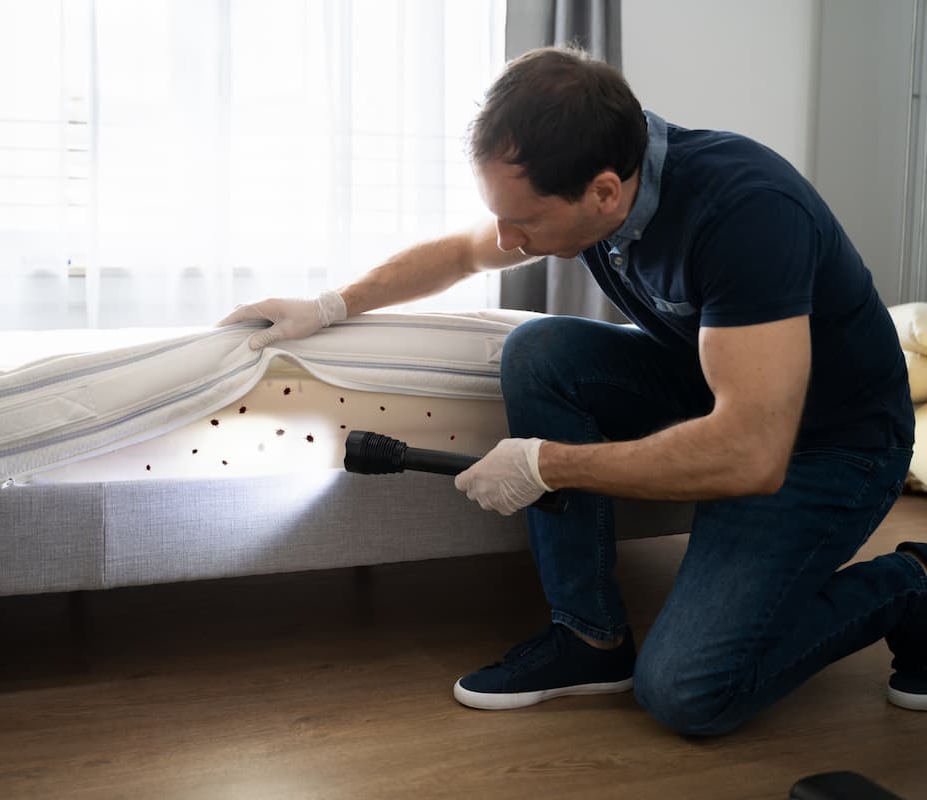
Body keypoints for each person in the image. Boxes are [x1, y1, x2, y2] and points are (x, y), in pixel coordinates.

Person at [217, 46, 927, 736]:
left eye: (522, 221)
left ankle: (909, 583)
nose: (505, 235)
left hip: (833, 445)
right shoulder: (587, 168)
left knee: (688, 693)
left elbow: (751, 457)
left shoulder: (747, 215)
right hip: (720, 393)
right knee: (542, 351)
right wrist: (331, 306)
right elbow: (464, 253)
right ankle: (587, 637)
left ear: (605, 192)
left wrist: (543, 464)